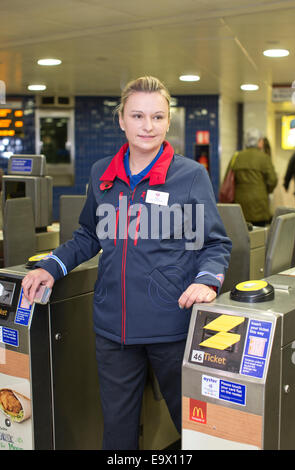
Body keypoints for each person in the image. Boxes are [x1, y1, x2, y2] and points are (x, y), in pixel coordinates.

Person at [21, 76, 232, 450]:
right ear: (122, 120)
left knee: (197, 427)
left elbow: (213, 243)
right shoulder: (102, 173)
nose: (147, 126)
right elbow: (88, 235)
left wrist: (207, 281)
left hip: (172, 326)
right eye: (137, 115)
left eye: (157, 116)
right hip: (113, 330)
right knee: (118, 431)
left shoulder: (190, 176)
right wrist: (50, 266)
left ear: (168, 121)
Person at [224, 128, 278, 226]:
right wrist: (266, 190)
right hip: (259, 204)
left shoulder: (236, 156)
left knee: (242, 235)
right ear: (259, 142)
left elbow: (227, 179)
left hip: (240, 205)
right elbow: (272, 180)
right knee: (260, 235)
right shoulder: (264, 158)